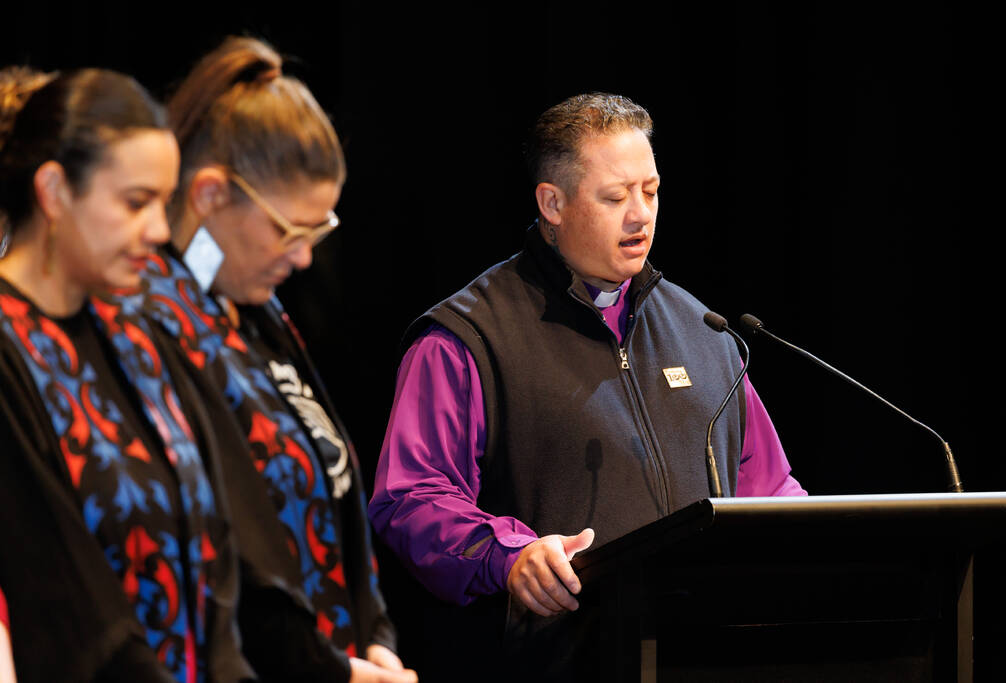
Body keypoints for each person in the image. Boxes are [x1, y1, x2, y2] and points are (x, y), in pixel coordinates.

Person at [369, 93, 806, 680]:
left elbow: (770, 492)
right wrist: (510, 556)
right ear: (552, 203)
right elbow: (411, 498)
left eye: (650, 191)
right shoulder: (468, 339)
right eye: (615, 197)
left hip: (709, 661)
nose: (640, 215)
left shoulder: (705, 333)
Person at [104, 37, 415, 683]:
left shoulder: (257, 309)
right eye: (288, 230)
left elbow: (333, 478)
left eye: (317, 230)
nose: (303, 257)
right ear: (211, 194)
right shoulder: (144, 319)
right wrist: (333, 670)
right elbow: (226, 550)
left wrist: (376, 635)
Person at [0, 67, 252, 681]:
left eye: (163, 203)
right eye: (136, 203)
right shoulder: (8, 350)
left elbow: (216, 552)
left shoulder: (136, 333)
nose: (160, 231)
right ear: (54, 191)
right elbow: (71, 606)